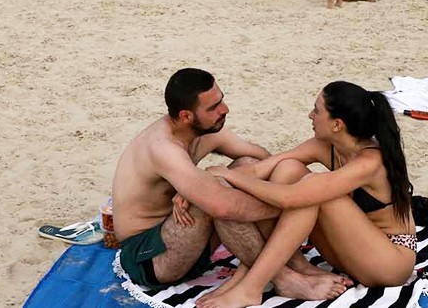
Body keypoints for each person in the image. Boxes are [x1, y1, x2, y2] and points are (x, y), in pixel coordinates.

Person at [112, 69, 348, 300]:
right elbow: (223, 206)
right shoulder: (162, 147)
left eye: (221, 100)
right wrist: (294, 206)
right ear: (186, 116)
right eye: (213, 107)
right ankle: (283, 278)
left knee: (244, 168)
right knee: (221, 200)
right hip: (150, 256)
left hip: (190, 240)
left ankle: (293, 264)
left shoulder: (206, 130)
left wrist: (217, 177)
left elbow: (262, 160)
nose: (225, 110)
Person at [194, 81, 416, 308]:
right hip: (348, 252)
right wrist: (209, 181)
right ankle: (294, 268)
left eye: (316, 110)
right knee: (287, 168)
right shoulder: (325, 146)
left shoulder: (370, 162)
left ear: (337, 124)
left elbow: (288, 198)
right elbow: (262, 168)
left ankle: (251, 287)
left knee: (312, 189)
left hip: (389, 261)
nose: (310, 115)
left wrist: (232, 177)